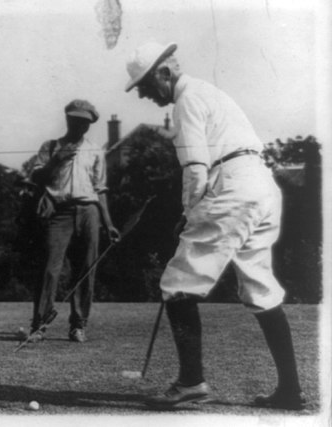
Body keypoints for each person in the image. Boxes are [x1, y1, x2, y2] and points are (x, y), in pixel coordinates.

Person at [124, 41, 305, 410]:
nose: (144, 94)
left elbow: (195, 168)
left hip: (232, 187)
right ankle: (290, 391)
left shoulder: (187, 100)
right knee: (260, 290)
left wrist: (189, 213)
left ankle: (191, 382)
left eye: (145, 85)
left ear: (164, 73)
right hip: (262, 187)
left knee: (176, 285)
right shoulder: (211, 92)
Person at [25, 100, 120, 344]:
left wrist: (108, 224)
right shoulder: (50, 146)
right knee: (49, 269)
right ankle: (39, 325)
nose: (80, 126)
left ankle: (78, 326)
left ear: (89, 125)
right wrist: (57, 160)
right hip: (59, 212)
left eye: (85, 123)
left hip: (89, 212)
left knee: (86, 270)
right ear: (67, 119)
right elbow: (36, 177)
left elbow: (100, 189)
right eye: (75, 120)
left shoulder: (95, 149)